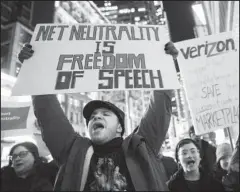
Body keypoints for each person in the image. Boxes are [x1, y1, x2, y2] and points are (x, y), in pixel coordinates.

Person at [17, 42, 178, 191]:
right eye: (92, 116)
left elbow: (159, 108)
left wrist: (166, 64)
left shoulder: (141, 147)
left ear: (120, 127)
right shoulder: (73, 150)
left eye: (105, 114)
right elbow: (48, 114)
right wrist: (34, 68)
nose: (96, 117)